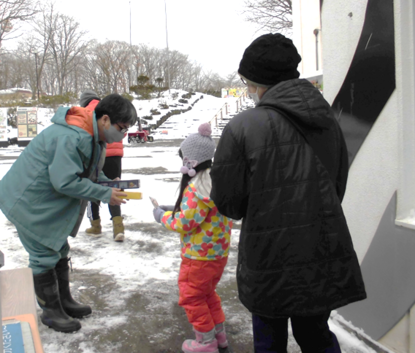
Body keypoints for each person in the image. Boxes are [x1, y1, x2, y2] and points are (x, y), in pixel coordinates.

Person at [210, 33, 367, 353]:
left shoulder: (242, 126)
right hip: (323, 249)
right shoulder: (328, 119)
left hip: (268, 258)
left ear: (259, 80)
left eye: (247, 81)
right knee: (316, 336)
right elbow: (337, 184)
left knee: (269, 341)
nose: (247, 89)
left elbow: (229, 203)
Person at [0, 93, 137, 333]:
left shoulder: (92, 135)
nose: (123, 135)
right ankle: (51, 312)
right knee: (44, 252)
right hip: (28, 201)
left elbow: (89, 173)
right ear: (105, 119)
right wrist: (105, 195)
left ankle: (63, 302)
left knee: (59, 248)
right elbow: (64, 182)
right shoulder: (71, 136)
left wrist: (108, 184)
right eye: (122, 128)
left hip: (42, 200)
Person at [152, 123, 232, 353]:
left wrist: (162, 216)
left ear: (191, 162)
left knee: (191, 297)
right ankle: (219, 336)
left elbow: (186, 222)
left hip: (198, 256)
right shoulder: (213, 182)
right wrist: (172, 208)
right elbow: (196, 213)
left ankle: (206, 343)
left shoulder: (195, 188)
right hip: (218, 254)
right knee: (207, 294)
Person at [80, 90, 126, 242]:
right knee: (114, 187)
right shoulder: (110, 109)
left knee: (93, 189)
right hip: (115, 157)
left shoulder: (86, 112)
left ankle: (96, 225)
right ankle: (118, 228)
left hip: (97, 155)